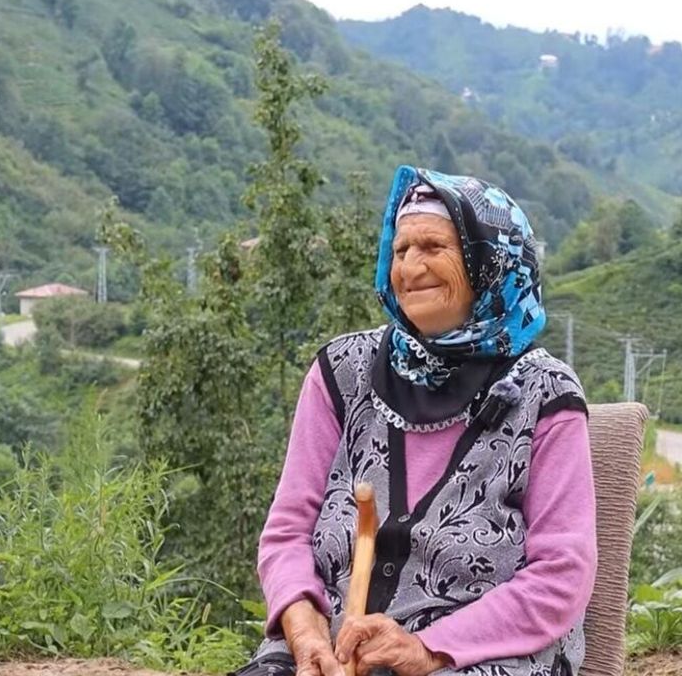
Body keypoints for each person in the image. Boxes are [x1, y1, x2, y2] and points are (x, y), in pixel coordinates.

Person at [233, 165, 597, 676]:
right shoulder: (342, 371)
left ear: (489, 260)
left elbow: (561, 576)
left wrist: (426, 648)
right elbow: (287, 532)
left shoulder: (544, 392)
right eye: (401, 249)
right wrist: (304, 628)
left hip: (479, 657)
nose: (409, 267)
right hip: (333, 653)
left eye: (433, 247)